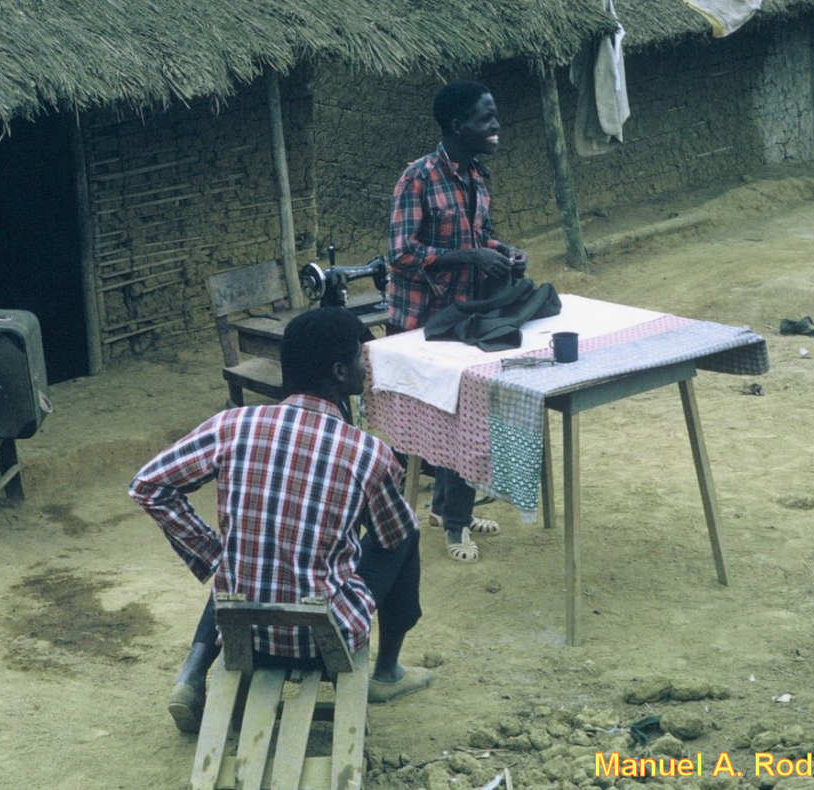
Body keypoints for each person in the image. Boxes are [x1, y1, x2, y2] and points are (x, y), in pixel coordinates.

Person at [130, 307, 432, 734]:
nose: (366, 369)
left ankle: (193, 670)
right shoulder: (368, 453)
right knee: (405, 532)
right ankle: (387, 672)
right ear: (340, 372)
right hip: (322, 641)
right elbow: (392, 535)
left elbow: (148, 485)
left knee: (243, 558)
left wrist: (214, 555)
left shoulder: (231, 425)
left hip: (243, 633)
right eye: (360, 360)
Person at [387, 79, 525, 563]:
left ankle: (449, 511)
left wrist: (504, 252)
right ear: (457, 125)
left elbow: (480, 236)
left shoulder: (476, 177)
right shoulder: (417, 178)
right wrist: (468, 256)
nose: (496, 125)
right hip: (421, 324)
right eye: (486, 118)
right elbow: (400, 254)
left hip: (462, 319)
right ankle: (453, 526)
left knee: (466, 416)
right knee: (446, 423)